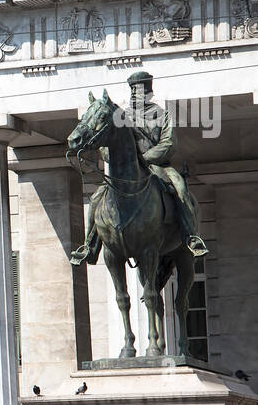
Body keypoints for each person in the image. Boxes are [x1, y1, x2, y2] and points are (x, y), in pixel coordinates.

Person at [71, 70, 208, 265]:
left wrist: (145, 158)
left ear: (149, 92)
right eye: (132, 90)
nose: (135, 94)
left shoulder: (162, 115)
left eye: (140, 90)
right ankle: (89, 246)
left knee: (180, 187)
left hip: (158, 166)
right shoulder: (120, 117)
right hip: (126, 171)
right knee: (95, 199)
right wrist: (113, 156)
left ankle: (191, 237)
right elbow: (107, 143)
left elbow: (168, 143)